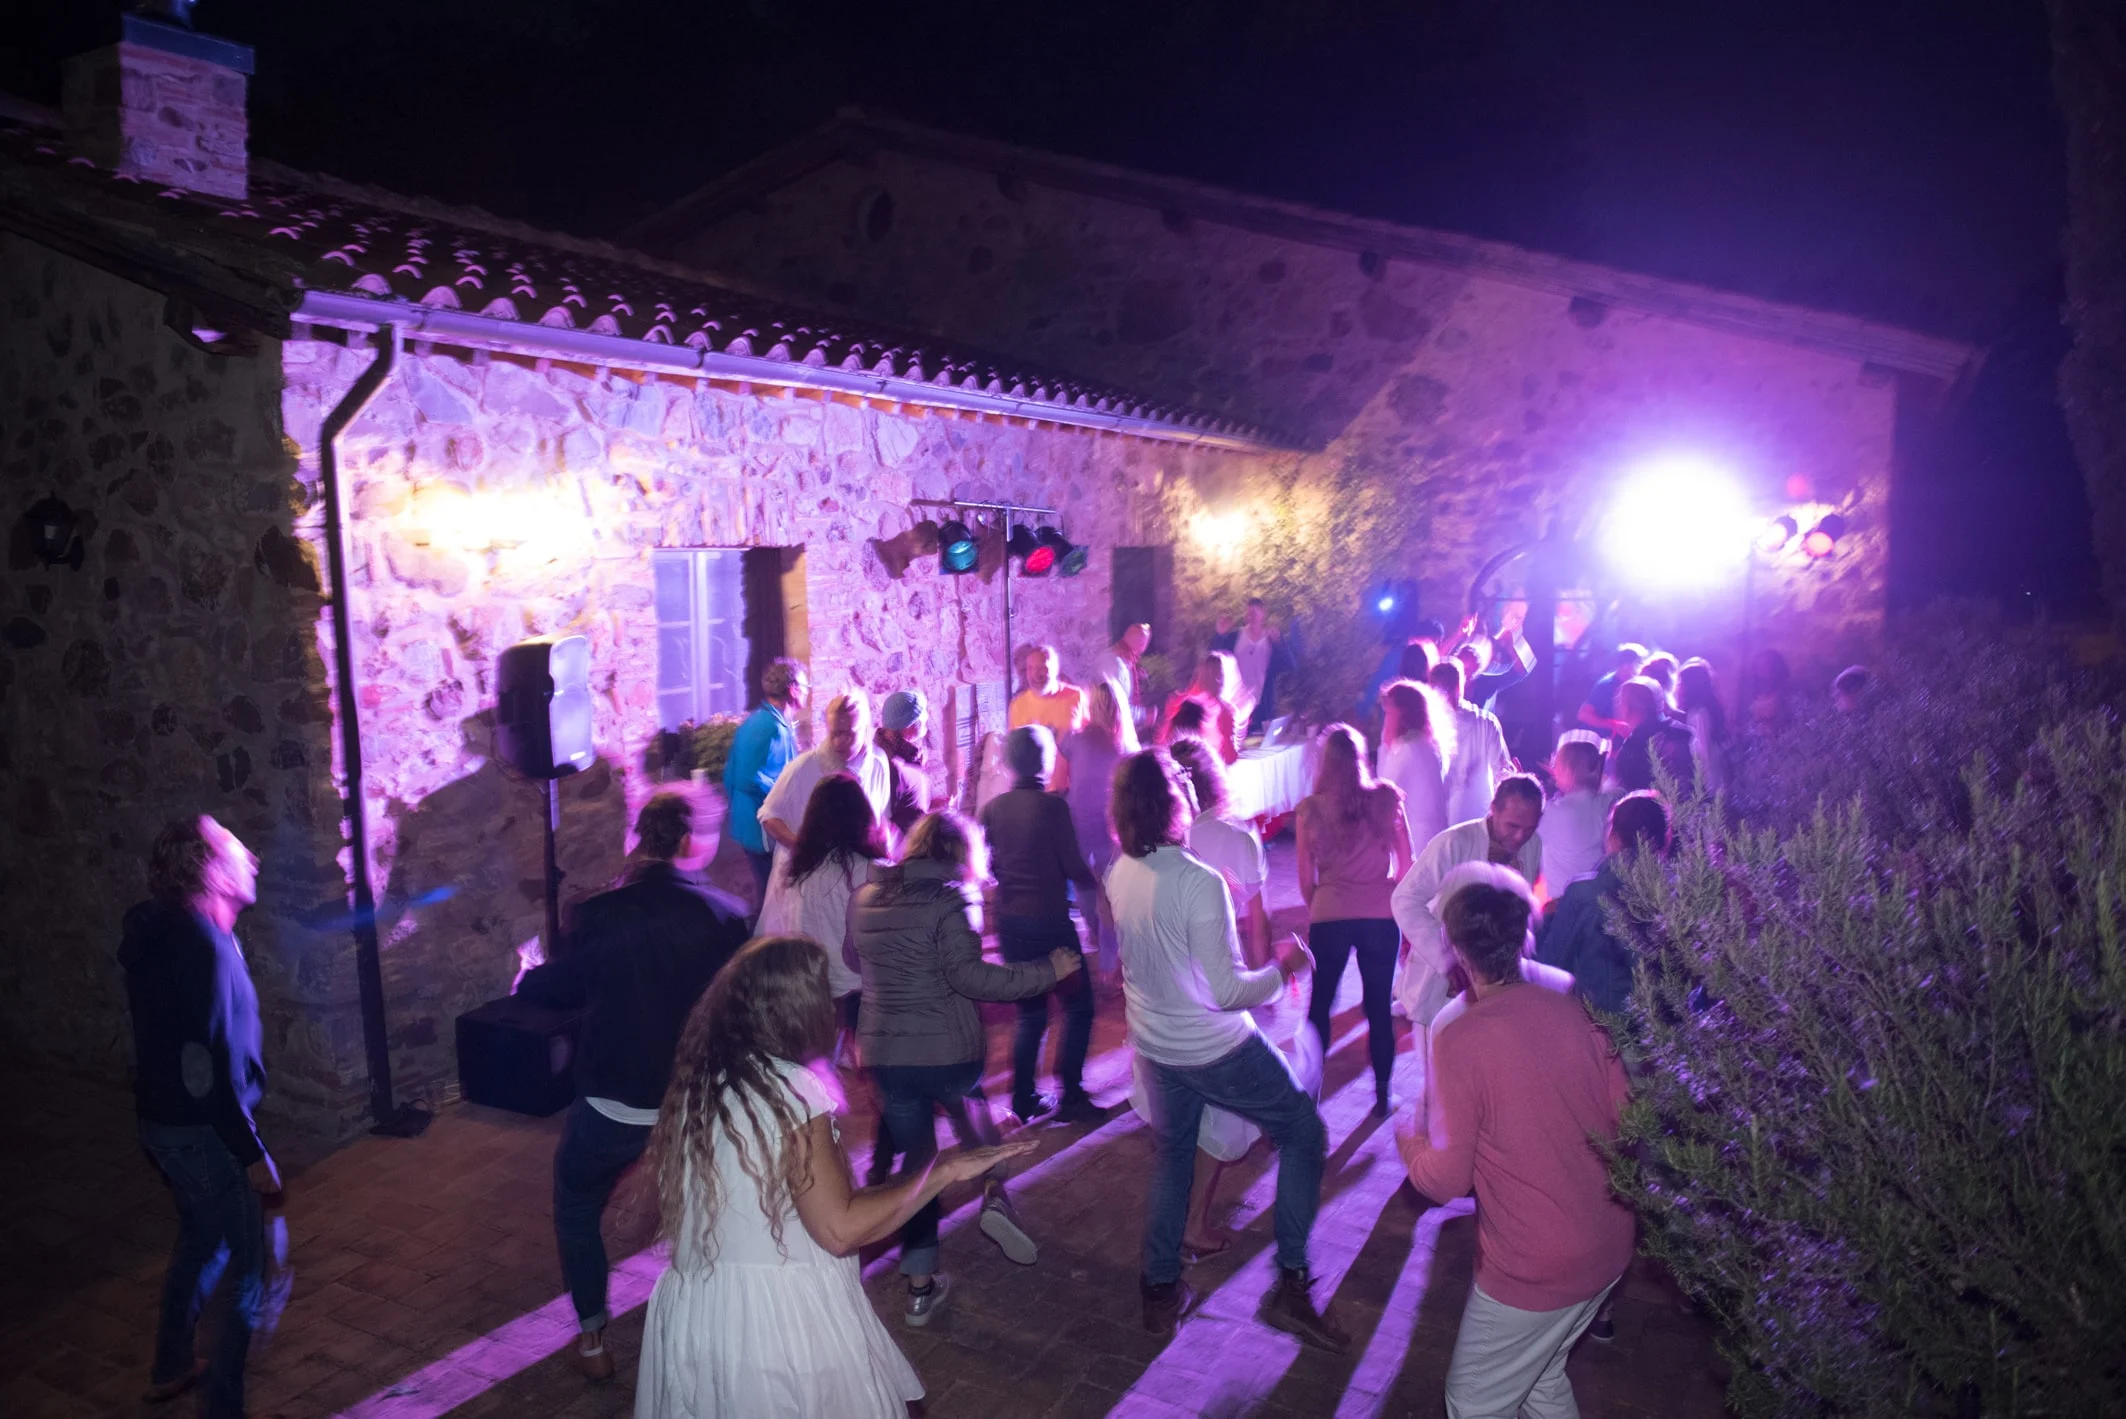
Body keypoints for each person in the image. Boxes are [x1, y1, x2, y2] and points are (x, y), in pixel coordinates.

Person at [635, 935, 1035, 1417]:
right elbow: (840, 1228)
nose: (831, 1005)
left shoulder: (705, 1083)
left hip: (702, 1314)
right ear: (796, 1010)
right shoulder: (791, 1091)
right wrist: (946, 1170)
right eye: (821, 993)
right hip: (776, 1327)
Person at [1108, 748, 1348, 1350]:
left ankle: (1160, 1291)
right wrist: (1285, 967)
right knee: (1303, 1133)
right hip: (1213, 1047)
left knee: (1173, 1157)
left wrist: (1213, 909)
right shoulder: (1199, 882)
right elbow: (1226, 992)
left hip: (1157, 1045)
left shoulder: (1121, 871)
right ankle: (1291, 1288)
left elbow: (1156, 954)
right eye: (1182, 783)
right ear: (1175, 800)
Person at [516, 792, 750, 1381]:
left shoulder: (601, 912)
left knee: (577, 1205)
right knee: (708, 1208)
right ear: (690, 841)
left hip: (614, 1098)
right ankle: (717, 1325)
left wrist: (529, 979)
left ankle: (593, 1338)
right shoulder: (726, 915)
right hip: (692, 1100)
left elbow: (560, 988)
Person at [1399, 877, 1634, 1419]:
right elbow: (1628, 1120)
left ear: (1458, 952)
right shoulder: (1578, 1008)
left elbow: (1446, 1180)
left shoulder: (1460, 1037)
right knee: (1540, 1377)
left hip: (1536, 1266)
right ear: (1523, 938)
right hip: (1610, 1242)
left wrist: (1410, 1143)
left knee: (1473, 1402)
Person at [854, 812, 1079, 1323]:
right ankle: (995, 1194)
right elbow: (971, 978)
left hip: (886, 1056)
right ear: (962, 852)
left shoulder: (866, 897)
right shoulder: (954, 899)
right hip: (948, 1053)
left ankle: (919, 1289)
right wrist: (1047, 971)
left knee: (918, 1169)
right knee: (978, 1123)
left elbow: (853, 957)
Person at [121, 816, 278, 1418]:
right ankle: (224, 1407)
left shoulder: (175, 932)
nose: (252, 858)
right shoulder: (204, 947)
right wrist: (251, 1152)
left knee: (202, 1236)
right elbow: (207, 1071)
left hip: (165, 1125)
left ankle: (171, 1366)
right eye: (237, 850)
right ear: (209, 871)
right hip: (202, 1132)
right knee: (247, 1266)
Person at [980, 726, 1108, 1123]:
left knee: (1031, 1013)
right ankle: (1070, 1094)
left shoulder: (993, 809)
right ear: (1045, 761)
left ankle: (1023, 1097)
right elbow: (1072, 865)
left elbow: (988, 865)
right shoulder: (1054, 808)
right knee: (1079, 1006)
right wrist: (1102, 883)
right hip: (1051, 923)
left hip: (1010, 924)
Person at [1297, 724, 1415, 1117]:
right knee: (1379, 1006)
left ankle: (1309, 1093)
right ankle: (1383, 1096)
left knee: (1319, 1006)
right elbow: (1407, 865)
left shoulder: (1310, 810)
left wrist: (1323, 906)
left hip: (1329, 913)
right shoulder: (1386, 799)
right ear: (1362, 757)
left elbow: (1304, 880)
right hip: (1379, 915)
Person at [1390, 775, 1546, 1029]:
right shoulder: (1453, 843)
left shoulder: (1534, 843)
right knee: (1440, 1051)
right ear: (1493, 809)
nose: (1520, 837)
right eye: (1512, 826)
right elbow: (1405, 899)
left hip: (1497, 984)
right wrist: (1447, 960)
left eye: (1529, 828)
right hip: (1444, 988)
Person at [757, 773, 889, 1061]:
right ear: (863, 815)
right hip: (861, 990)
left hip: (813, 986)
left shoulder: (797, 872)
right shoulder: (872, 870)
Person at [1538, 791, 1671, 1015]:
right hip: (1664, 1027)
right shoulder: (1678, 896)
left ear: (1613, 836)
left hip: (1600, 1025)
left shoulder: (1584, 894)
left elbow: (1550, 967)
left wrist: (1546, 921)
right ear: (1664, 841)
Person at [1062, 681, 1138, 981]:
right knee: (1110, 892)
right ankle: (1108, 960)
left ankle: (1102, 948)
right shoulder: (1127, 748)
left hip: (1083, 825)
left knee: (1086, 889)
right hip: (1112, 827)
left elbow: (1062, 745)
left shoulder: (1078, 739)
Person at [760, 691, 891, 861]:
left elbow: (882, 817)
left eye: (848, 734)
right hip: (805, 870)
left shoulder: (878, 763)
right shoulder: (802, 767)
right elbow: (768, 816)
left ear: (865, 729)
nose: (839, 742)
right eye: (834, 733)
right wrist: (803, 850)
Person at [724, 657, 808, 902]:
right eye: (805, 686)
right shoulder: (767, 726)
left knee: (772, 894)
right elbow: (744, 777)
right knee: (771, 898)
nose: (808, 691)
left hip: (757, 825)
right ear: (793, 690)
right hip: (760, 829)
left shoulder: (771, 722)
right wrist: (785, 791)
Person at [1431, 659, 1516, 825]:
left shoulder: (1425, 726)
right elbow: (1503, 774)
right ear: (1461, 684)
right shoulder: (1487, 723)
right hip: (1478, 822)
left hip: (1438, 826)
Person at [1378, 678, 1456, 854]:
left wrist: (1385, 745)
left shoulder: (1406, 750)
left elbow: (1384, 791)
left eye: (1388, 713)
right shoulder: (1431, 746)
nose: (1386, 720)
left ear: (1401, 713)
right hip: (1437, 840)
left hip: (1417, 843)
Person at [1539, 738, 1614, 895]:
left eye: (1556, 765)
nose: (1553, 770)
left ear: (1567, 771)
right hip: (1599, 899)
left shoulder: (1554, 811)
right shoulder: (1608, 804)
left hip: (1562, 901)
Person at [1009, 644, 1088, 792]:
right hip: (1035, 792)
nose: (1035, 674)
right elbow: (1015, 754)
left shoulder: (1076, 697)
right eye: (1030, 668)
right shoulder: (1018, 705)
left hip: (1070, 790)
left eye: (1042, 668)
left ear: (1055, 669)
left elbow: (1089, 741)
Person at [1210, 597, 1295, 732]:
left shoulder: (1271, 639)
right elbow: (1214, 659)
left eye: (1255, 613)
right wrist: (1219, 635)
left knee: (1261, 743)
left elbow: (1290, 665)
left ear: (1263, 614)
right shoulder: (1235, 637)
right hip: (1236, 706)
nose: (1252, 617)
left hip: (1262, 706)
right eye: (1249, 613)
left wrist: (1279, 643)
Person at [1610, 678, 1695, 794]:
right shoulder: (1685, 733)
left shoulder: (1632, 748)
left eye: (1621, 702)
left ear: (1628, 708)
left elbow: (1621, 793)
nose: (1619, 706)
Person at [1447, 608, 1537, 714]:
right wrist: (1457, 635)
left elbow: (1523, 669)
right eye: (1462, 668)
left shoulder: (1485, 683)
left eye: (1470, 671)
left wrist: (1511, 640)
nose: (1465, 675)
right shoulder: (1444, 677)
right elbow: (1435, 661)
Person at [1159, 651, 1243, 763]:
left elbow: (1163, 743)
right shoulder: (1224, 711)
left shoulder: (1178, 703)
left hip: (1176, 767)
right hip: (1208, 769)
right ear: (1222, 677)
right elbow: (1230, 757)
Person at [875, 689, 933, 836]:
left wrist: (928, 805)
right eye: (922, 716)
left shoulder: (901, 753)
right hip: (905, 846)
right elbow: (890, 820)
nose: (926, 718)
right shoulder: (893, 766)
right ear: (909, 726)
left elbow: (907, 804)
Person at [1675, 658, 1731, 794]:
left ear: (1691, 685)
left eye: (1681, 682)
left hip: (1707, 783)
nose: (1678, 686)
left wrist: (1705, 787)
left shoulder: (1699, 714)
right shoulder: (1700, 710)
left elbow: (1703, 752)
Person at [1091, 621, 1152, 733]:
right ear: (1141, 645)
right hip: (1109, 733)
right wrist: (1145, 715)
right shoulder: (1117, 665)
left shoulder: (1119, 661)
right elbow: (1117, 708)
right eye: (1144, 644)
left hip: (1112, 731)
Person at [1578, 643, 1646, 738]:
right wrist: (1614, 725)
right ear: (1628, 665)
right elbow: (1584, 715)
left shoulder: (1633, 685)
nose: (1642, 668)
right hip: (1599, 742)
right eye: (1641, 663)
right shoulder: (1606, 686)